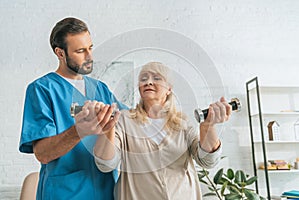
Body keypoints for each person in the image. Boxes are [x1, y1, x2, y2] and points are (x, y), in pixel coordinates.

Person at [19, 17, 126, 200]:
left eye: (90, 48)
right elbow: (43, 154)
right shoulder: (42, 90)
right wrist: (79, 131)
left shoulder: (100, 89)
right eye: (80, 51)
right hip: (64, 193)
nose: (89, 56)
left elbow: (132, 120)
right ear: (60, 53)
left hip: (105, 191)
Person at [94, 62, 232, 200]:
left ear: (169, 89)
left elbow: (208, 161)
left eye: (156, 78)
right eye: (143, 79)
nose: (148, 82)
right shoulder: (123, 120)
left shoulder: (183, 123)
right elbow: (106, 164)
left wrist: (208, 127)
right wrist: (107, 130)